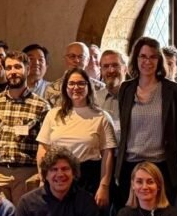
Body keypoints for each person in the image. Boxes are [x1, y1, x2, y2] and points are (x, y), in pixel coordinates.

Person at [114, 37, 177, 206]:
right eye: (143, 56)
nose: (147, 61)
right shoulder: (126, 88)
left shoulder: (175, 91)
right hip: (130, 165)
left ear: (159, 60)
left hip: (162, 167)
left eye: (153, 57)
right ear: (136, 59)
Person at [0, 50, 50, 205]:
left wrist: (43, 176)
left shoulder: (41, 106)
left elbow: (45, 146)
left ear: (27, 69)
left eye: (17, 67)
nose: (13, 72)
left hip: (27, 174)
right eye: (8, 68)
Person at [37, 68, 117, 207]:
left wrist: (104, 186)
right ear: (65, 87)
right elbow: (43, 149)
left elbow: (108, 154)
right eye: (71, 83)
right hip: (58, 177)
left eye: (81, 83)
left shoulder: (102, 117)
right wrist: (43, 178)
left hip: (88, 179)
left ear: (88, 86)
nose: (76, 87)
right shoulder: (53, 114)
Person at [96, 49, 127, 140]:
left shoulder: (136, 97)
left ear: (125, 69)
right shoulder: (94, 99)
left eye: (115, 65)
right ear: (101, 71)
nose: (111, 70)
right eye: (106, 66)